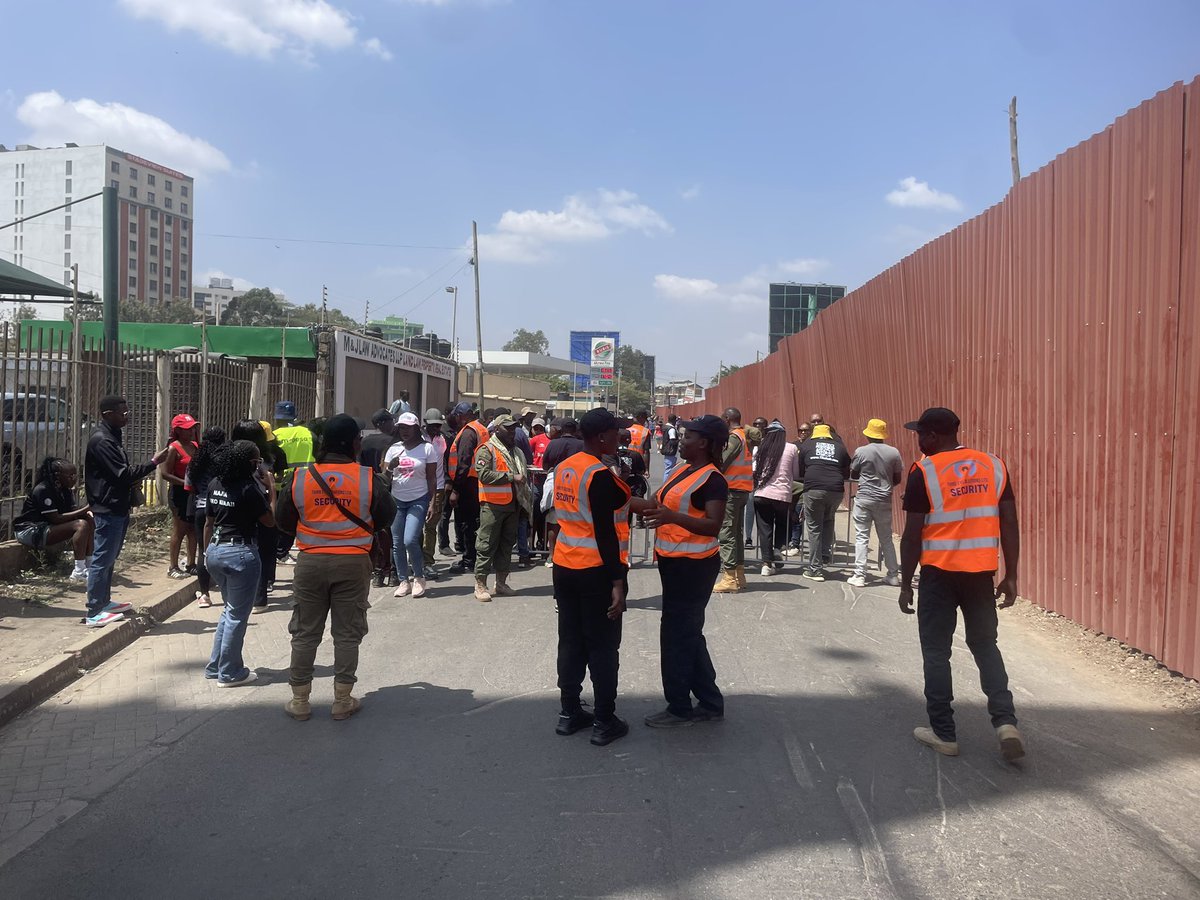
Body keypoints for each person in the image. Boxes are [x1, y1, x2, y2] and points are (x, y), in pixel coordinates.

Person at [898, 408, 1024, 761]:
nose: (919, 441)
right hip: (981, 575)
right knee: (986, 646)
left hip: (939, 575)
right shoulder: (994, 465)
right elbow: (1009, 522)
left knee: (937, 652)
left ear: (932, 436)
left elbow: (912, 535)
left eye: (920, 434)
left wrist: (906, 583)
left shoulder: (924, 470)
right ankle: (1005, 722)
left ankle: (944, 733)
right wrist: (1011, 574)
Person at [276, 413, 395, 722]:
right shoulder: (368, 478)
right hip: (353, 562)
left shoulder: (301, 477)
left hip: (311, 562)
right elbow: (384, 517)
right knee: (347, 634)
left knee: (305, 632)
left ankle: (300, 701)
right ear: (355, 443)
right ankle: (342, 700)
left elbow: (284, 520)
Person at [552, 408, 636, 746]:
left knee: (571, 640)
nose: (621, 436)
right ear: (601, 436)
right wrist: (618, 582)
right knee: (602, 645)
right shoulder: (599, 475)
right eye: (616, 431)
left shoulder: (566, 469)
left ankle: (569, 712)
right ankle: (604, 719)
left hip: (564, 566)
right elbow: (604, 532)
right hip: (596, 571)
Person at [642, 414, 729, 727]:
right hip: (673, 562)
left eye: (688, 437)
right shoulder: (681, 470)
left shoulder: (713, 479)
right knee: (688, 634)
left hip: (695, 568)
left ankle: (679, 708)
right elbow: (654, 504)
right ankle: (709, 702)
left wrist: (671, 518)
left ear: (704, 443)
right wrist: (614, 496)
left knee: (677, 636)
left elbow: (712, 525)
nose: (681, 440)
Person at [84, 396, 168, 628]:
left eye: (127, 412)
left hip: (117, 505)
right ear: (107, 414)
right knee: (102, 558)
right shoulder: (102, 441)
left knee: (110, 557)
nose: (126, 416)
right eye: (122, 413)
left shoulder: (112, 436)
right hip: (107, 506)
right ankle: (94, 610)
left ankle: (104, 601)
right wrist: (154, 462)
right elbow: (122, 474)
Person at [203, 439, 276, 687]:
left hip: (215, 550)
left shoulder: (215, 484)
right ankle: (230, 672)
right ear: (248, 463)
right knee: (236, 615)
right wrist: (272, 489)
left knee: (228, 610)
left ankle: (216, 666)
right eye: (256, 462)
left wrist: (206, 554)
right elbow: (270, 521)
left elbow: (208, 523)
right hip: (241, 554)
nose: (259, 466)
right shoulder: (248, 489)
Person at [472, 414, 531, 601]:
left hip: (513, 504)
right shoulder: (487, 449)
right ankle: (480, 584)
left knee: (506, 545)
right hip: (492, 505)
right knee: (486, 544)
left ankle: (501, 583)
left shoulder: (515, 451)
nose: (512, 431)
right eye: (508, 428)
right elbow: (483, 475)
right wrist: (511, 477)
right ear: (497, 429)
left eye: (514, 427)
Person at [384, 412, 437, 598]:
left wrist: (432, 503)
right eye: (402, 428)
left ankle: (419, 577)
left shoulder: (427, 449)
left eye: (408, 427)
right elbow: (385, 477)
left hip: (418, 499)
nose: (404, 431)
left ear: (416, 428)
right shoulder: (394, 449)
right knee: (397, 543)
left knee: (410, 540)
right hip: (397, 500)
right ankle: (403, 580)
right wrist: (391, 466)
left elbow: (432, 479)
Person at [14, 456, 93, 581]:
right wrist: (86, 508)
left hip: (46, 527)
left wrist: (87, 512)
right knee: (81, 525)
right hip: (30, 530)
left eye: (75, 475)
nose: (74, 478)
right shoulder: (43, 489)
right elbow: (55, 518)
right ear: (57, 475)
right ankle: (79, 571)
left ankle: (89, 565)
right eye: (70, 475)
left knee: (88, 520)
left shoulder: (64, 490)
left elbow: (72, 512)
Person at [848, 418, 903, 588]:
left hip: (864, 497)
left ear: (868, 434)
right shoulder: (894, 452)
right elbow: (897, 478)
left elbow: (854, 474)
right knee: (886, 538)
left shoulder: (861, 451)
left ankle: (860, 575)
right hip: (884, 499)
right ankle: (893, 575)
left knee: (862, 536)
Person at [231, 421, 279, 610]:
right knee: (263, 552)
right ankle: (259, 596)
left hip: (237, 509)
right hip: (260, 506)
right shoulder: (262, 459)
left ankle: (250, 595)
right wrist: (271, 488)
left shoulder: (230, 457)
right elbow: (267, 483)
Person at [797, 423, 851, 581]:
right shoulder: (840, 447)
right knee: (828, 521)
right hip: (836, 490)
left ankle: (815, 568)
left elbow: (801, 469)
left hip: (814, 489)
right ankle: (825, 555)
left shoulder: (807, 444)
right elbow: (846, 469)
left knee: (814, 528)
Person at [446, 402, 489, 576]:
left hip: (467, 483)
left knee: (467, 523)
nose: (456, 420)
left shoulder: (468, 432)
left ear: (462, 415)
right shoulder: (481, 428)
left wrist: (455, 489)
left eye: (457, 416)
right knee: (476, 523)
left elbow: (463, 462)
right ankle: (476, 557)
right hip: (478, 481)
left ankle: (469, 560)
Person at [713, 407, 753, 593]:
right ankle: (739, 575)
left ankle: (729, 579)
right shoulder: (744, 437)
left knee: (727, 533)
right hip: (741, 490)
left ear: (728, 419)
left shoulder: (734, 438)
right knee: (736, 533)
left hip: (732, 490)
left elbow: (722, 461)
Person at [185, 427, 227, 607]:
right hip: (222, 508)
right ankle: (228, 591)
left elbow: (188, 485)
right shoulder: (226, 461)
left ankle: (204, 595)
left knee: (204, 550)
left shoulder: (195, 461)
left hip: (201, 508)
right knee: (226, 547)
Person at [752, 422, 799, 576]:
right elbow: (796, 473)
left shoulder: (760, 449)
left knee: (765, 529)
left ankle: (766, 564)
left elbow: (754, 470)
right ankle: (778, 549)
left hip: (762, 493)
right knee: (782, 524)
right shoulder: (792, 448)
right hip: (782, 495)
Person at [272, 401, 314, 567]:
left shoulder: (274, 436)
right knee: (296, 519)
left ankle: (279, 551)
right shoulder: (308, 433)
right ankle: (283, 551)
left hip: (278, 483)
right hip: (304, 482)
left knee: (280, 519)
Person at [161, 413, 200, 579]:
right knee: (179, 529)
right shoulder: (173, 448)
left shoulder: (195, 445)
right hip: (179, 494)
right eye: (186, 429)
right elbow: (165, 474)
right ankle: (173, 566)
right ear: (177, 430)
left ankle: (191, 563)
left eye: (192, 427)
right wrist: (185, 483)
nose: (191, 431)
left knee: (193, 529)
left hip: (193, 493)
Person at [361, 409, 397, 588]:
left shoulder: (364, 442)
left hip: (369, 490)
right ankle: (392, 571)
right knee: (390, 533)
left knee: (375, 533)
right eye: (390, 420)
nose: (393, 423)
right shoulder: (393, 442)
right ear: (381, 424)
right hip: (390, 490)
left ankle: (378, 572)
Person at [420, 407, 449, 578]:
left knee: (430, 526)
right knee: (416, 528)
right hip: (418, 487)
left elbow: (445, 462)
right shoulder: (419, 440)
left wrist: (447, 484)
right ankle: (417, 560)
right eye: (432, 425)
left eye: (438, 425)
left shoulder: (442, 440)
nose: (436, 428)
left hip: (437, 488)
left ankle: (428, 562)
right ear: (425, 424)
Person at [784, 422, 813, 556]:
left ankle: (795, 543)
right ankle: (789, 541)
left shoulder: (812, 445)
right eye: (800, 430)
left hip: (805, 485)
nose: (802, 432)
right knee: (791, 515)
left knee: (799, 516)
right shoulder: (793, 445)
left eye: (806, 430)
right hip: (792, 484)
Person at [743, 417, 769, 549]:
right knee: (750, 509)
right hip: (750, 478)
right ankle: (748, 538)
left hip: (764, 479)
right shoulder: (749, 443)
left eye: (761, 424)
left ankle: (766, 541)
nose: (758, 426)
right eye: (756, 424)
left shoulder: (768, 443)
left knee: (764, 511)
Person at [658, 414, 680, 481]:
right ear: (674, 420)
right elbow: (672, 441)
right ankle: (666, 483)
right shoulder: (671, 429)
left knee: (668, 468)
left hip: (666, 450)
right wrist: (679, 440)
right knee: (669, 470)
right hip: (670, 451)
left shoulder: (665, 427)